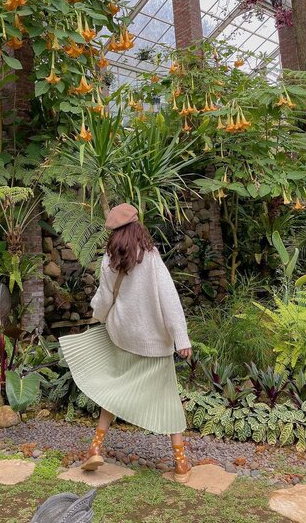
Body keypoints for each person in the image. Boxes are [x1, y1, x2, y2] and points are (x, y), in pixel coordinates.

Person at [59, 203, 193, 483]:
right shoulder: (152, 258)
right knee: (167, 397)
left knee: (114, 390)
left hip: (122, 337)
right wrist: (181, 338)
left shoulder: (110, 261)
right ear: (137, 228)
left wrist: (97, 316)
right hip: (153, 342)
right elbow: (169, 299)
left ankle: (95, 446)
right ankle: (180, 463)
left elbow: (104, 300)